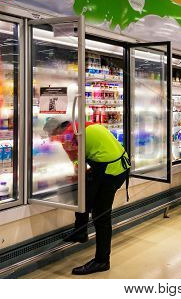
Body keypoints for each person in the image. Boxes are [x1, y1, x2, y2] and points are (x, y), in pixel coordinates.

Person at [43, 118, 130, 275]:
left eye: (51, 136)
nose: (51, 140)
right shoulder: (81, 125)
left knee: (101, 216)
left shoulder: (68, 136)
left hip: (110, 170)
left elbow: (79, 165)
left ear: (56, 131)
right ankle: (81, 231)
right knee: (85, 192)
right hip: (119, 166)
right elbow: (82, 160)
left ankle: (101, 261)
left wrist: (73, 175)